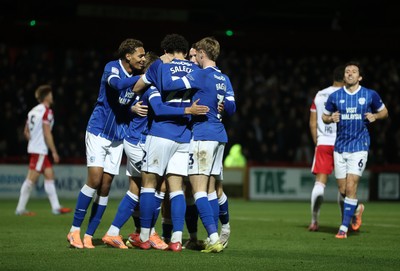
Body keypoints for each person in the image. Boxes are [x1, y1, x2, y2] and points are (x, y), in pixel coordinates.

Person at [101, 51, 209, 249]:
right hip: (137, 142)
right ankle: (138, 233)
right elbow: (157, 108)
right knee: (149, 186)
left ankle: (136, 233)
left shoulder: (154, 86)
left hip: (143, 141)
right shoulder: (152, 88)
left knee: (149, 188)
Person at [66, 38, 146, 249]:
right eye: (140, 55)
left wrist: (132, 109)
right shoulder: (112, 68)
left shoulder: (137, 77)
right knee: (94, 179)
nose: (143, 58)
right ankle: (74, 230)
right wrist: (143, 78)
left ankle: (89, 235)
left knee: (106, 185)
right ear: (128, 56)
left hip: (118, 136)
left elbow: (124, 105)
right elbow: (117, 85)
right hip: (99, 131)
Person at [161, 36, 237, 253]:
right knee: (211, 190)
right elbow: (231, 107)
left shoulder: (200, 75)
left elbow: (171, 84)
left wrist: (166, 64)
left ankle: (213, 238)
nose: (194, 58)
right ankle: (214, 233)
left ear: (202, 53)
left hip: (203, 135)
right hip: (220, 136)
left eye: (197, 54)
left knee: (198, 190)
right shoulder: (224, 78)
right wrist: (220, 106)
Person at [127, 34, 201, 252]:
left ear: (166, 50)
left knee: (149, 184)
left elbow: (136, 88)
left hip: (160, 133)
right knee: (176, 189)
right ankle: (176, 240)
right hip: (184, 136)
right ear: (186, 52)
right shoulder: (195, 69)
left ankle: (143, 236)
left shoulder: (159, 66)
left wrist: (158, 65)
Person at [322, 61, 388, 239]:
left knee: (351, 186)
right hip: (340, 147)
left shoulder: (369, 95)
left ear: (360, 77)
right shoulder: (335, 96)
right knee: (343, 190)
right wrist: (330, 118)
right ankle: (357, 208)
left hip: (359, 146)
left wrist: (375, 115)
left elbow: (384, 112)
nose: (350, 74)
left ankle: (343, 228)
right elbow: (324, 116)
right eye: (347, 71)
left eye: (353, 71)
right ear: (344, 76)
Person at [15, 84, 72, 216]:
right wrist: (54, 151)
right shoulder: (47, 111)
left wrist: (33, 140)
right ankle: (20, 209)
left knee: (49, 175)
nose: (52, 97)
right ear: (46, 96)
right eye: (51, 94)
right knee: (31, 180)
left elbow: (26, 132)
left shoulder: (32, 111)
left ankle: (56, 207)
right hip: (40, 150)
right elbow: (47, 133)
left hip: (35, 148)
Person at [308, 65, 344, 231]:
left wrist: (318, 142)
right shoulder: (347, 95)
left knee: (320, 184)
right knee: (343, 186)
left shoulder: (320, 94)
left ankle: (314, 220)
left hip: (323, 142)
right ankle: (346, 222)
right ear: (345, 77)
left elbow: (312, 122)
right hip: (343, 143)